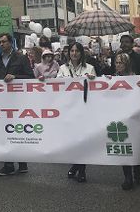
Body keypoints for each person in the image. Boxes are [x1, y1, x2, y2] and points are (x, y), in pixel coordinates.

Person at [0, 33, 34, 176]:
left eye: (4, 42)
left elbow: (31, 77)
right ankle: (11, 164)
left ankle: (19, 163)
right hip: (2, 102)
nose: (1, 44)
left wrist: (16, 77)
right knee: (5, 132)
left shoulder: (21, 58)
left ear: (11, 42)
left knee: (17, 131)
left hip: (18, 101)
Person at [57, 42, 96, 183]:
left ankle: (82, 170)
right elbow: (56, 87)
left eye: (77, 51)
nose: (74, 53)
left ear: (81, 53)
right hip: (68, 109)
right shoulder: (62, 68)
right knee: (73, 140)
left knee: (82, 140)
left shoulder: (90, 68)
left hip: (84, 108)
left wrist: (93, 80)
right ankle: (75, 165)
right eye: (71, 51)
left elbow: (96, 89)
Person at [113, 53, 140, 190]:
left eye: (121, 62)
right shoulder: (112, 78)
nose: (118, 65)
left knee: (136, 145)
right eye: (117, 62)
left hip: (134, 117)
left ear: (127, 64)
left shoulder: (135, 78)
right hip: (120, 117)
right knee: (124, 147)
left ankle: (137, 172)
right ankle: (128, 177)